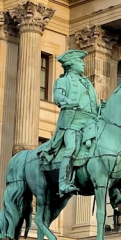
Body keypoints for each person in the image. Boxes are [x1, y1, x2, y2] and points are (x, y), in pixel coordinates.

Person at [40, 50, 100, 195]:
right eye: (79, 62)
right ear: (71, 64)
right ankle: (63, 183)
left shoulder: (87, 83)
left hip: (91, 122)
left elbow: (93, 103)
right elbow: (57, 96)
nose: (82, 64)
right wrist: (67, 101)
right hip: (72, 122)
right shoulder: (63, 81)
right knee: (71, 148)